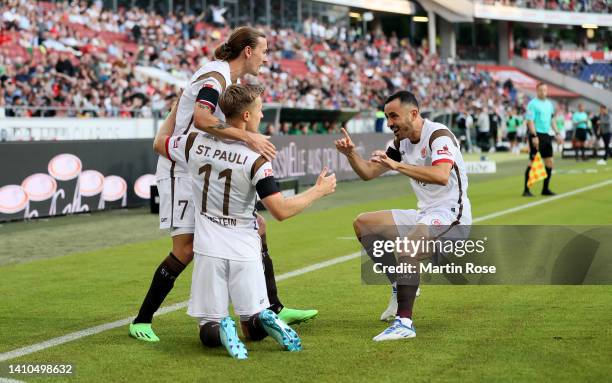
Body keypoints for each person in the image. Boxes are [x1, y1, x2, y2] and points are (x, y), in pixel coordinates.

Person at [129, 27, 316, 343]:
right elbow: (202, 120)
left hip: (198, 159)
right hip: (180, 168)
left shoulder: (224, 79)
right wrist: (247, 136)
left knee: (256, 226)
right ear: (247, 51)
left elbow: (192, 113)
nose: (266, 57)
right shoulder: (216, 77)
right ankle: (142, 320)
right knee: (185, 249)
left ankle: (273, 307)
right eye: (264, 51)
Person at [153, 84, 336, 359]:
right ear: (247, 116)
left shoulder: (193, 142)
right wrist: (318, 191)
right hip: (245, 248)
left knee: (208, 330)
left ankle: (222, 326)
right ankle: (263, 319)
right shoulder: (257, 159)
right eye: (260, 109)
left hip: (209, 248)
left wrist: (176, 108)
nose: (262, 115)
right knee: (252, 327)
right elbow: (280, 211)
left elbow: (160, 142)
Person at [335, 90, 472, 341]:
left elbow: (441, 176)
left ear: (414, 114)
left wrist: (397, 165)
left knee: (408, 247)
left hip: (453, 218)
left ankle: (404, 323)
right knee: (363, 224)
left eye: (394, 116)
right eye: (387, 117)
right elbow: (367, 172)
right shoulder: (400, 143)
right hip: (426, 214)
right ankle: (400, 287)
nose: (389, 123)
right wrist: (351, 155)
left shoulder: (439, 136)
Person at [523, 83, 563, 197]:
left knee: (550, 162)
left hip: (546, 135)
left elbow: (552, 120)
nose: (543, 92)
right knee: (532, 162)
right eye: (541, 90)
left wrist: (557, 133)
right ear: (537, 90)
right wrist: (534, 136)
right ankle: (526, 190)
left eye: (545, 90)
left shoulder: (549, 104)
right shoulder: (532, 104)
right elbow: (530, 121)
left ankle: (545, 189)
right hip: (536, 135)